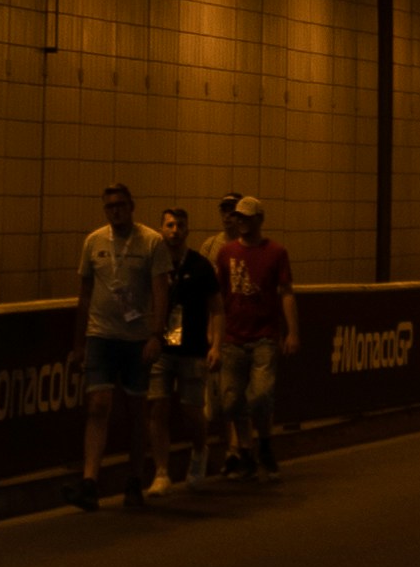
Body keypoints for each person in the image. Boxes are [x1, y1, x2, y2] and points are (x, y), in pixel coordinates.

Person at [75, 181, 165, 510]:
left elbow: (160, 291)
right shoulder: (94, 242)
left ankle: (134, 479)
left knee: (135, 411)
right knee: (98, 404)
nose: (115, 211)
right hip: (101, 335)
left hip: (136, 339)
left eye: (120, 205)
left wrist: (157, 335)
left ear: (132, 206)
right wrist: (79, 343)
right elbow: (85, 295)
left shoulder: (151, 242)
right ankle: (89, 482)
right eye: (109, 206)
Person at [212, 191, 296, 477]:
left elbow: (285, 293)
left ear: (259, 219)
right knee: (230, 400)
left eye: (247, 217)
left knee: (260, 396)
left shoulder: (276, 253)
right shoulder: (225, 253)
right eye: (239, 217)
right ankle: (245, 450)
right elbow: (218, 299)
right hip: (233, 338)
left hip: (264, 336)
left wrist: (291, 332)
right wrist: (214, 339)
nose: (242, 222)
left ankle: (264, 443)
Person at [153, 203, 220, 486]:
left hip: (192, 347)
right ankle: (161, 472)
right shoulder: (154, 264)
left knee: (192, 409)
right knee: (157, 406)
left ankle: (199, 449)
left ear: (187, 229)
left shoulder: (200, 266)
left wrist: (216, 344)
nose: (175, 231)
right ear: (161, 229)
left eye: (180, 225)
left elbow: (217, 308)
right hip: (160, 347)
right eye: (169, 225)